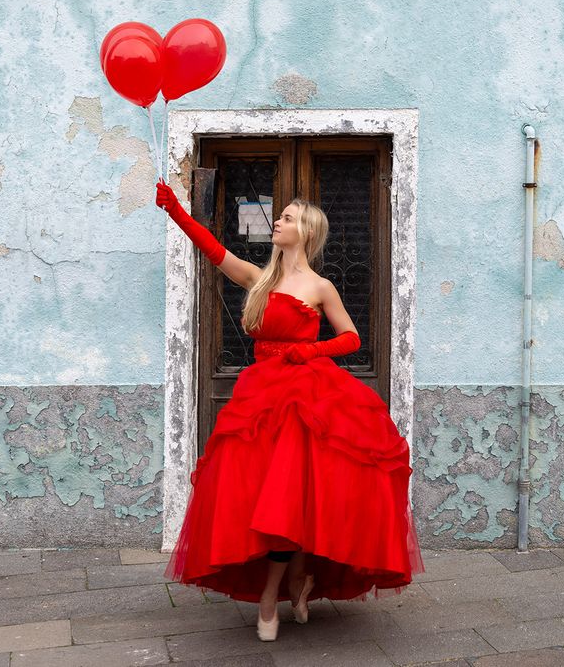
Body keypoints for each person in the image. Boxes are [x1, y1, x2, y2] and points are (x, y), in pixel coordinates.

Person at [157, 180, 422, 642]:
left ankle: (282, 591)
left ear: (306, 231)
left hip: (307, 396)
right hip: (260, 396)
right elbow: (213, 249)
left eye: (287, 217)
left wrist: (312, 353)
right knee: (271, 498)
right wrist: (175, 210)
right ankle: (290, 587)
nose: (278, 221)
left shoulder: (320, 286)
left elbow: (352, 338)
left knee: (298, 498)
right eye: (279, 216)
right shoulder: (260, 279)